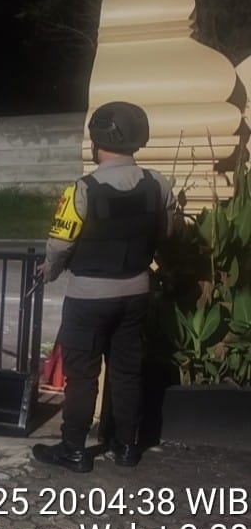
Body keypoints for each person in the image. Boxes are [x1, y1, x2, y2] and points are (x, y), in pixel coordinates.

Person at [32, 101, 176, 473]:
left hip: (88, 298)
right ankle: (126, 447)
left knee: (82, 376)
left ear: (98, 141)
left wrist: (49, 272)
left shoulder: (81, 190)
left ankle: (73, 450)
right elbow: (168, 232)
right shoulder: (158, 184)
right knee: (127, 372)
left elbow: (59, 244)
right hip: (136, 294)